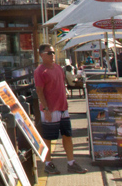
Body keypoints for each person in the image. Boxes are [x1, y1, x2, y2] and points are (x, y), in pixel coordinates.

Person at [34, 44, 88, 174]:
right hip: (51, 109)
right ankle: (48, 163)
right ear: (42, 55)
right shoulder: (40, 71)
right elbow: (39, 91)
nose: (52, 55)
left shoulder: (58, 68)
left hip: (63, 107)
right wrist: (46, 109)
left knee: (67, 135)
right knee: (48, 137)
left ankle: (71, 162)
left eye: (53, 52)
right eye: (49, 53)